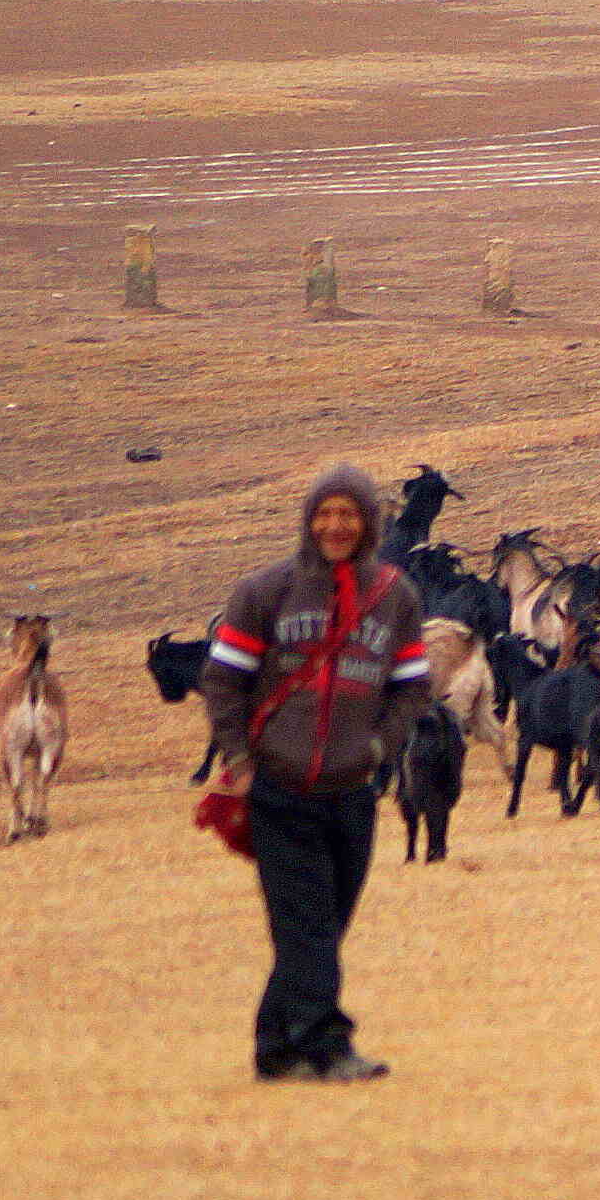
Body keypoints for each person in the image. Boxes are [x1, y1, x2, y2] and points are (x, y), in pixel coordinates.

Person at [198, 463, 430, 1082]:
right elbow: (223, 681)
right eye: (324, 514)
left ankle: (276, 1051)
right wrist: (240, 762)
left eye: (347, 515)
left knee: (326, 925)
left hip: (352, 790)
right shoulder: (264, 591)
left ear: (368, 524)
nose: (335, 526)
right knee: (307, 927)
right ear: (308, 520)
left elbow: (411, 688)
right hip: (280, 786)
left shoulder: (395, 597)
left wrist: (380, 749)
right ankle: (329, 1047)